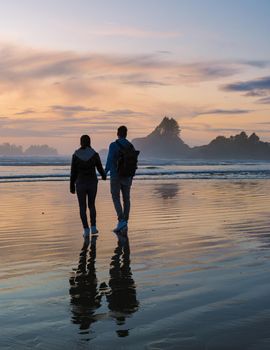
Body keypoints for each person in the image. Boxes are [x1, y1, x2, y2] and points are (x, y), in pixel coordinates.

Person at [70, 134, 106, 238]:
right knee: (92, 205)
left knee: (82, 207)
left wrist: (71, 186)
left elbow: (73, 172)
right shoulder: (94, 154)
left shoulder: (76, 155)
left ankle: (86, 229)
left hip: (80, 183)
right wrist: (104, 176)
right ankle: (93, 227)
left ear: (80, 142)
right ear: (90, 142)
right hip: (92, 183)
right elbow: (100, 168)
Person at [105, 126, 135, 232]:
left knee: (116, 197)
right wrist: (131, 176)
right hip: (127, 176)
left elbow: (109, 160)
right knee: (126, 199)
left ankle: (121, 220)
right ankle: (125, 221)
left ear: (117, 133)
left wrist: (105, 172)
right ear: (126, 134)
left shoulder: (113, 145)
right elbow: (133, 162)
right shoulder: (131, 146)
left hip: (116, 175)